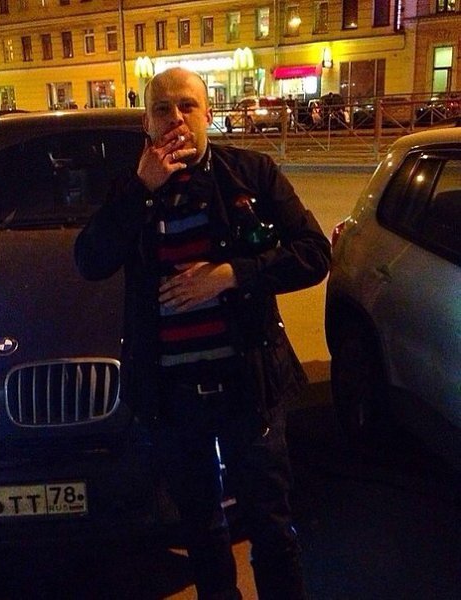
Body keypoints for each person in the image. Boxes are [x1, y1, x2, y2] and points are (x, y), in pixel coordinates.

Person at [75, 67, 331, 599]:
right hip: (172, 398)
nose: (176, 119)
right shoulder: (132, 188)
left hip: (247, 386)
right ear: (147, 123)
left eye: (187, 106)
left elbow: (313, 254)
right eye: (162, 109)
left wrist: (231, 275)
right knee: (202, 531)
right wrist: (142, 188)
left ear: (208, 114)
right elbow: (91, 260)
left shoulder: (250, 173)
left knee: (270, 527)